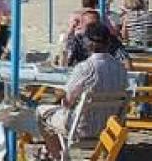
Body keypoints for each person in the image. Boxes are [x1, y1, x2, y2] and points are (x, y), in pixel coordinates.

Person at [37, 23, 127, 160]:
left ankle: (56, 156)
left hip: (80, 129)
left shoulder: (86, 68)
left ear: (88, 43)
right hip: (109, 128)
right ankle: (50, 152)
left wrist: (59, 96)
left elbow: (67, 102)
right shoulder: (120, 69)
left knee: (41, 112)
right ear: (108, 42)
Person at [62, 10, 130, 67]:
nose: (93, 28)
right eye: (90, 25)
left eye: (96, 24)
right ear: (82, 25)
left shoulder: (110, 39)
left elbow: (125, 61)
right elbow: (66, 63)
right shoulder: (77, 40)